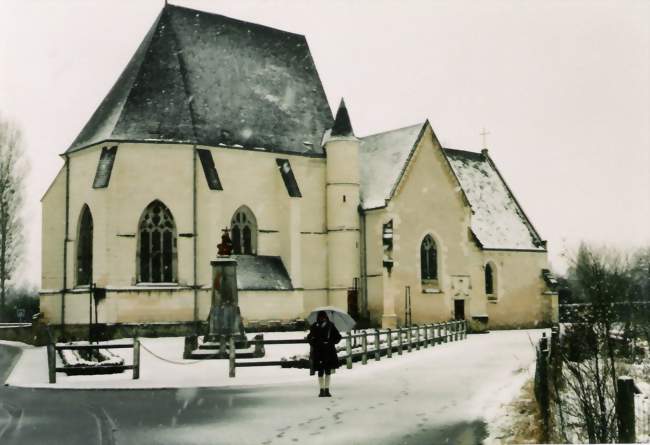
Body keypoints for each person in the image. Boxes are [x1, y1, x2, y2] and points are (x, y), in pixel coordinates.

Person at [307, 311, 342, 397]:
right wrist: (315, 343)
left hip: (328, 351)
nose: (322, 319)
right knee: (320, 371)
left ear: (326, 317)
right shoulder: (314, 326)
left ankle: (326, 389)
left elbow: (338, 337)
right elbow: (309, 338)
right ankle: (321, 390)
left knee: (327, 370)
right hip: (319, 351)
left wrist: (330, 342)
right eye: (320, 317)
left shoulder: (331, 326)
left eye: (323, 317)